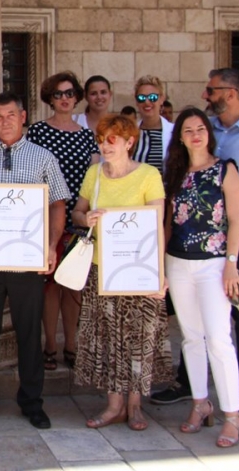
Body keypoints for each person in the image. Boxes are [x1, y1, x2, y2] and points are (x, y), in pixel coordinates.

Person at [153, 69, 239, 426]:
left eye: (211, 89)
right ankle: (191, 386)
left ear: (230, 93)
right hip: (192, 239)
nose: (206, 94)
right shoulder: (208, 130)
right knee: (194, 322)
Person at [0, 92, 69, 432]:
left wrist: (51, 246)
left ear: (23, 117)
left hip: (27, 261)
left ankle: (32, 402)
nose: (4, 121)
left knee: (29, 334)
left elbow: (58, 204)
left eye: (10, 114)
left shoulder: (43, 157)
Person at [71, 114, 170, 432]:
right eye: (101, 139)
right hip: (102, 269)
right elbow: (77, 211)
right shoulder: (93, 174)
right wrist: (87, 219)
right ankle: (114, 405)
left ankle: (135, 406)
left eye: (112, 139)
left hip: (139, 270)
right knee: (109, 338)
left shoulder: (149, 175)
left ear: (129, 141)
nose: (105, 144)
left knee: (139, 338)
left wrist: (160, 273)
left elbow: (156, 227)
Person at [163, 108, 239, 448]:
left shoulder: (225, 170)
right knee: (191, 338)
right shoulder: (176, 173)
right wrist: (159, 266)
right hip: (179, 262)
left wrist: (232, 264)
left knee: (219, 338)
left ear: (208, 133)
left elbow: (237, 220)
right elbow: (169, 223)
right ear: (179, 137)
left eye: (200, 129)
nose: (195, 134)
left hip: (213, 264)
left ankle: (232, 414)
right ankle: (200, 403)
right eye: (188, 130)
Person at [26, 72, 99, 371]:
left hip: (79, 219)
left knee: (74, 285)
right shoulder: (38, 132)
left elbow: (95, 177)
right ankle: (50, 345)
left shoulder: (86, 135)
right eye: (58, 94)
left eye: (69, 93)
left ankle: (72, 343)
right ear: (49, 98)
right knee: (50, 286)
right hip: (47, 219)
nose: (65, 98)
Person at [133, 75, 174, 174]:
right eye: (141, 98)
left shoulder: (174, 132)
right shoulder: (129, 132)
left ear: (161, 99)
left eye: (152, 97)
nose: (147, 102)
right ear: (136, 102)